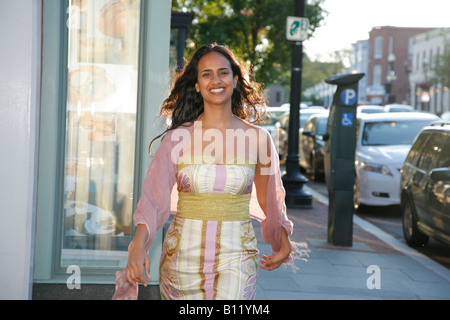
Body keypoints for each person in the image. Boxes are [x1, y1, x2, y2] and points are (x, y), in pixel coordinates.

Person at [118, 43, 297, 300]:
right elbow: (153, 199)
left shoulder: (259, 140)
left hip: (237, 258)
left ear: (235, 80)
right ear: (197, 85)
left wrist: (282, 238)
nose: (216, 80)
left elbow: (270, 198)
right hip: (181, 260)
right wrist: (138, 243)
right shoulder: (177, 139)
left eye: (223, 73)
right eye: (207, 74)